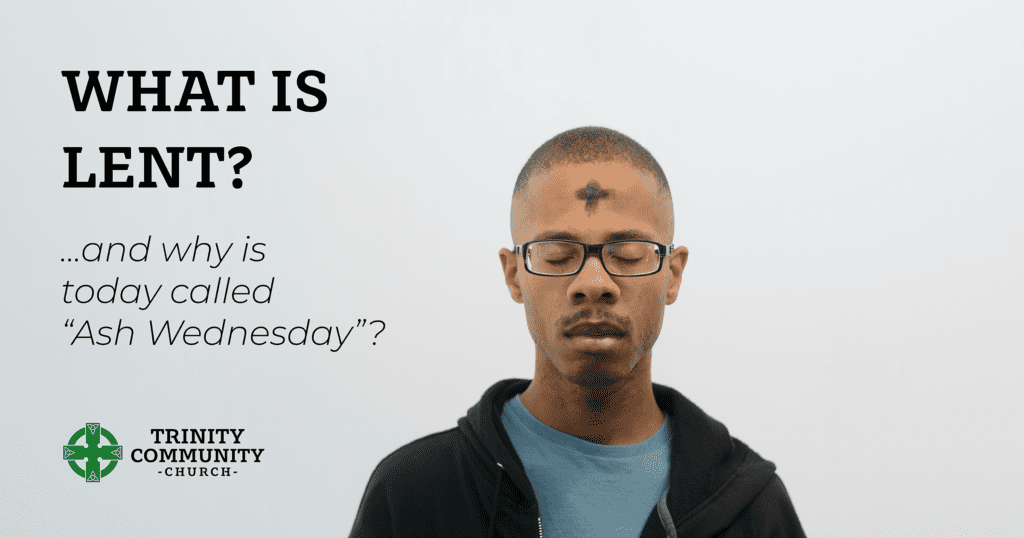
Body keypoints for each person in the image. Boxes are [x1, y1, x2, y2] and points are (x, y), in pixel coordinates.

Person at [349, 126, 806, 537]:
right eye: (557, 255)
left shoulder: (752, 510)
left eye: (628, 253)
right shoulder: (414, 495)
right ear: (514, 275)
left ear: (673, 274)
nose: (594, 284)